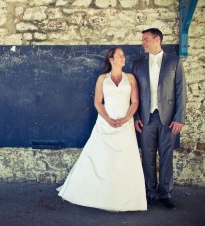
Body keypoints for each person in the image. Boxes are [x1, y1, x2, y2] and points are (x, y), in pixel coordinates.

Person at [57, 47, 147, 212]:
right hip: (106, 122)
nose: (123, 57)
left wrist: (127, 118)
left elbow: (135, 101)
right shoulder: (102, 79)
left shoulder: (131, 78)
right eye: (119, 55)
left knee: (125, 160)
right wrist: (108, 119)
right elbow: (98, 102)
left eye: (123, 55)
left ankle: (124, 198)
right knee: (100, 157)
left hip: (125, 123)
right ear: (111, 59)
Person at [132, 28, 187, 209]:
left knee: (166, 156)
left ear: (157, 40)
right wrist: (137, 116)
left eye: (146, 39)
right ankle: (150, 193)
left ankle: (165, 193)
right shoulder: (138, 64)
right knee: (147, 157)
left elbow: (181, 92)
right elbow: (134, 94)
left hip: (169, 119)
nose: (143, 43)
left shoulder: (174, 62)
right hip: (146, 118)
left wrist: (179, 118)